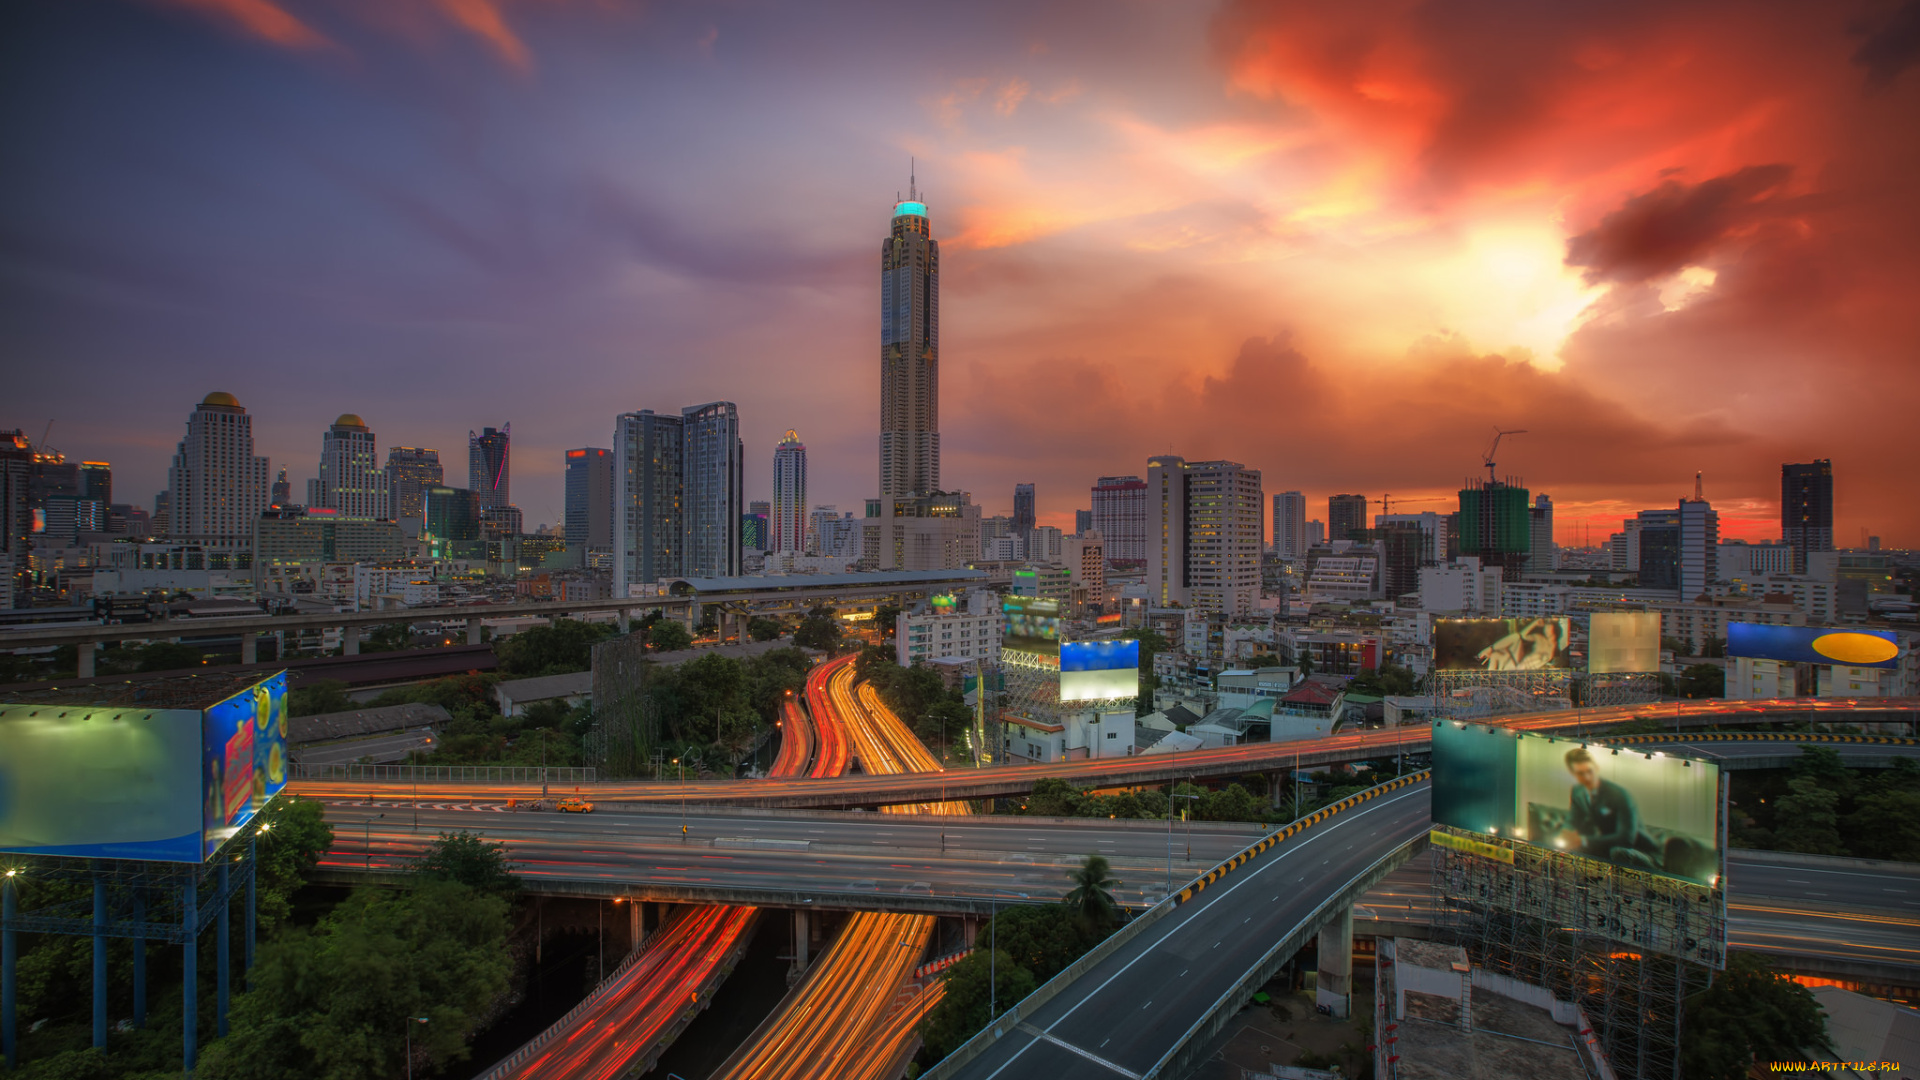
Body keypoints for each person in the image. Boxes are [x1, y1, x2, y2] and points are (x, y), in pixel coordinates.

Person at [1559, 747, 1658, 870]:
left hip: (1638, 851)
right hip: (1607, 847)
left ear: (1596, 768)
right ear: (1573, 773)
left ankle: (1616, 886)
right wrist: (1567, 834)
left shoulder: (1619, 794)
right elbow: (1572, 820)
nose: (1587, 777)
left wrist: (1583, 841)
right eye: (1580, 773)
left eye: (1589, 771)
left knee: (1618, 852)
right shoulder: (1578, 792)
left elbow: (1626, 839)